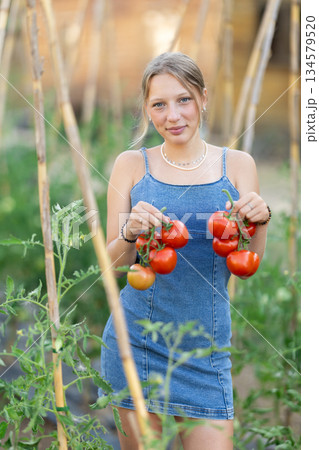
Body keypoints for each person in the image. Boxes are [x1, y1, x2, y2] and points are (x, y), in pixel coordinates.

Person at [100, 52, 271, 449]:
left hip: (205, 351)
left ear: (203, 99)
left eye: (184, 100)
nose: (172, 115)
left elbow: (249, 263)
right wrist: (128, 232)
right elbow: (111, 265)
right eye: (159, 104)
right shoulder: (130, 165)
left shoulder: (239, 165)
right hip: (137, 344)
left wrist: (259, 219)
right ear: (147, 109)